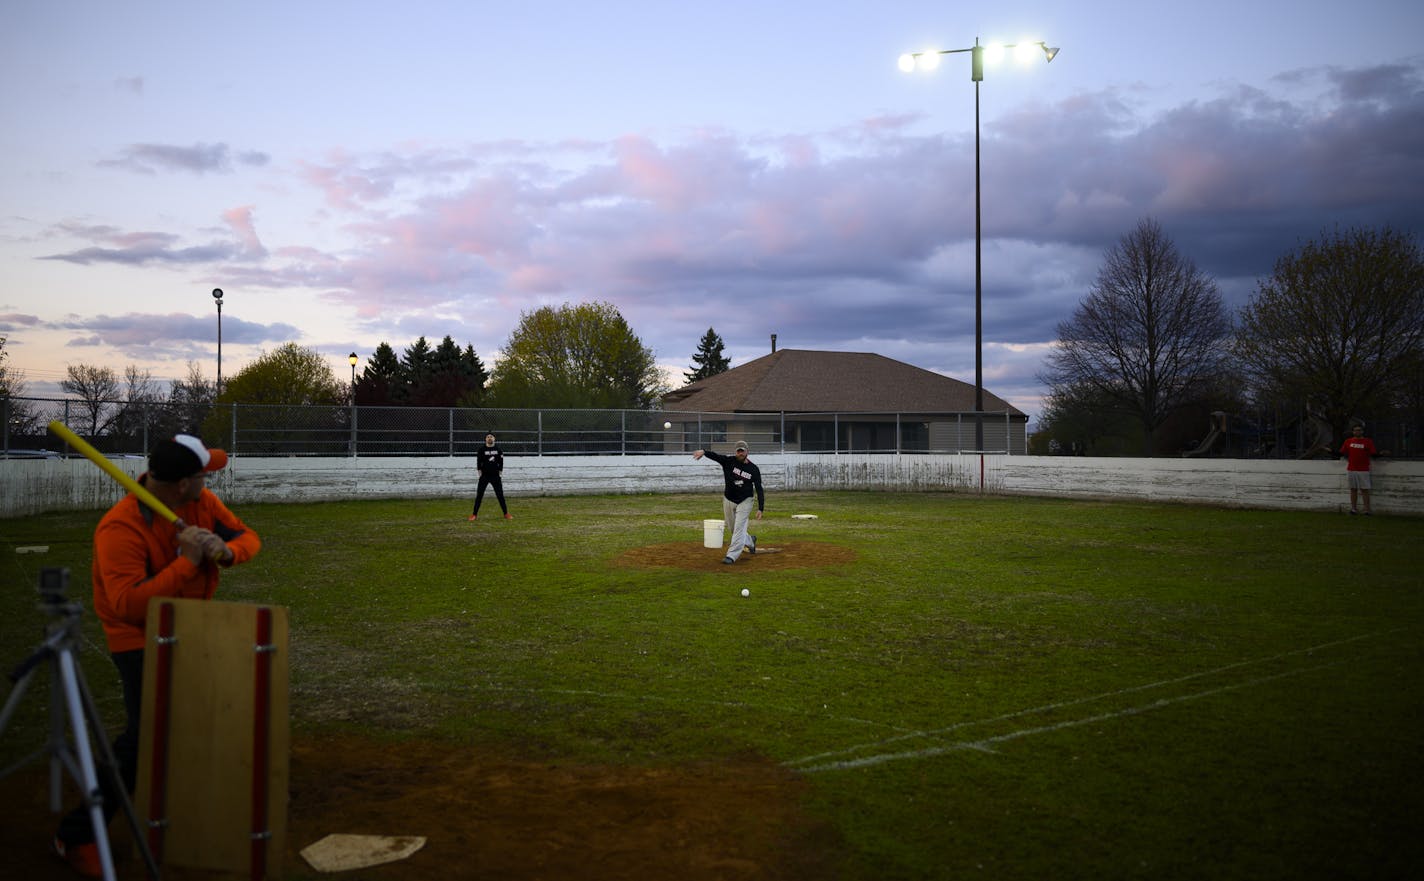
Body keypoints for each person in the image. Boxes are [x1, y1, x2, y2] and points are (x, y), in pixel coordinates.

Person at [53, 434, 261, 878]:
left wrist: (226, 553)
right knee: (145, 734)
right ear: (184, 483)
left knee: (194, 717)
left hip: (192, 625)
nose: (211, 480)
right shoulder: (121, 526)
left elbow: (245, 536)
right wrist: (186, 561)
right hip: (136, 637)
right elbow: (128, 604)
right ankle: (77, 834)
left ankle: (179, 809)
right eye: (205, 475)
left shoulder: (203, 505)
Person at [692, 440, 764, 564]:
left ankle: (731, 555)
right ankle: (750, 540)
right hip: (729, 499)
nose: (740, 453)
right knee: (733, 528)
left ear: (747, 452)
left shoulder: (753, 469)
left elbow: (759, 488)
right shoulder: (728, 462)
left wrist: (760, 508)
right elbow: (716, 456)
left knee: (739, 528)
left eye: (742, 451)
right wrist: (704, 452)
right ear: (735, 452)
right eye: (738, 451)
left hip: (745, 501)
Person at [1339, 422, 1383, 515]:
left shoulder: (1368, 441)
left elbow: (1374, 455)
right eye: (1355, 430)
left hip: (1363, 469)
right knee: (1353, 489)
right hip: (1351, 469)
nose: (1357, 432)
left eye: (1359, 430)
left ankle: (1367, 510)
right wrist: (1329, 451)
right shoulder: (1348, 441)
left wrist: (1382, 454)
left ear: (1362, 431)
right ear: (1352, 432)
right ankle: (1353, 509)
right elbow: (1341, 453)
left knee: (1364, 490)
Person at [469, 433, 511, 520]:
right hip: (484, 476)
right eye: (488, 437)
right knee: (479, 496)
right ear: (485, 439)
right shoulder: (481, 449)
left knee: (500, 495)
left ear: (494, 439)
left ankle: (506, 513)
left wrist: (500, 471)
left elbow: (501, 461)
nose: (489, 438)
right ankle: (474, 515)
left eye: (491, 437)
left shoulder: (498, 449)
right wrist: (479, 471)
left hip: (495, 476)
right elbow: (478, 461)